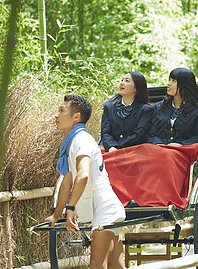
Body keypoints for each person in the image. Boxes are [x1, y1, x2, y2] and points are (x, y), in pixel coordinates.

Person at [44, 95, 126, 269]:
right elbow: (66, 184)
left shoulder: (81, 140)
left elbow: (82, 176)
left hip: (105, 208)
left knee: (96, 264)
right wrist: (56, 216)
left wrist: (71, 208)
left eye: (61, 111)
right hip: (106, 208)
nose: (56, 116)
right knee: (115, 265)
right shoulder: (72, 142)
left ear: (76, 117)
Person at [149, 68, 198, 146]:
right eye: (169, 80)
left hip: (183, 152)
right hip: (158, 150)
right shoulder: (158, 107)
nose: (168, 83)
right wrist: (159, 144)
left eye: (173, 81)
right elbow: (152, 134)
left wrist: (181, 144)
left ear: (186, 85)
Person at [100, 71, 153, 152]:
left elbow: (139, 135)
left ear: (136, 88)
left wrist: (117, 147)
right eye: (122, 80)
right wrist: (111, 147)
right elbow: (105, 133)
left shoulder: (146, 110)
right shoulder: (108, 107)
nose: (122, 83)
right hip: (110, 150)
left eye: (127, 81)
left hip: (133, 151)